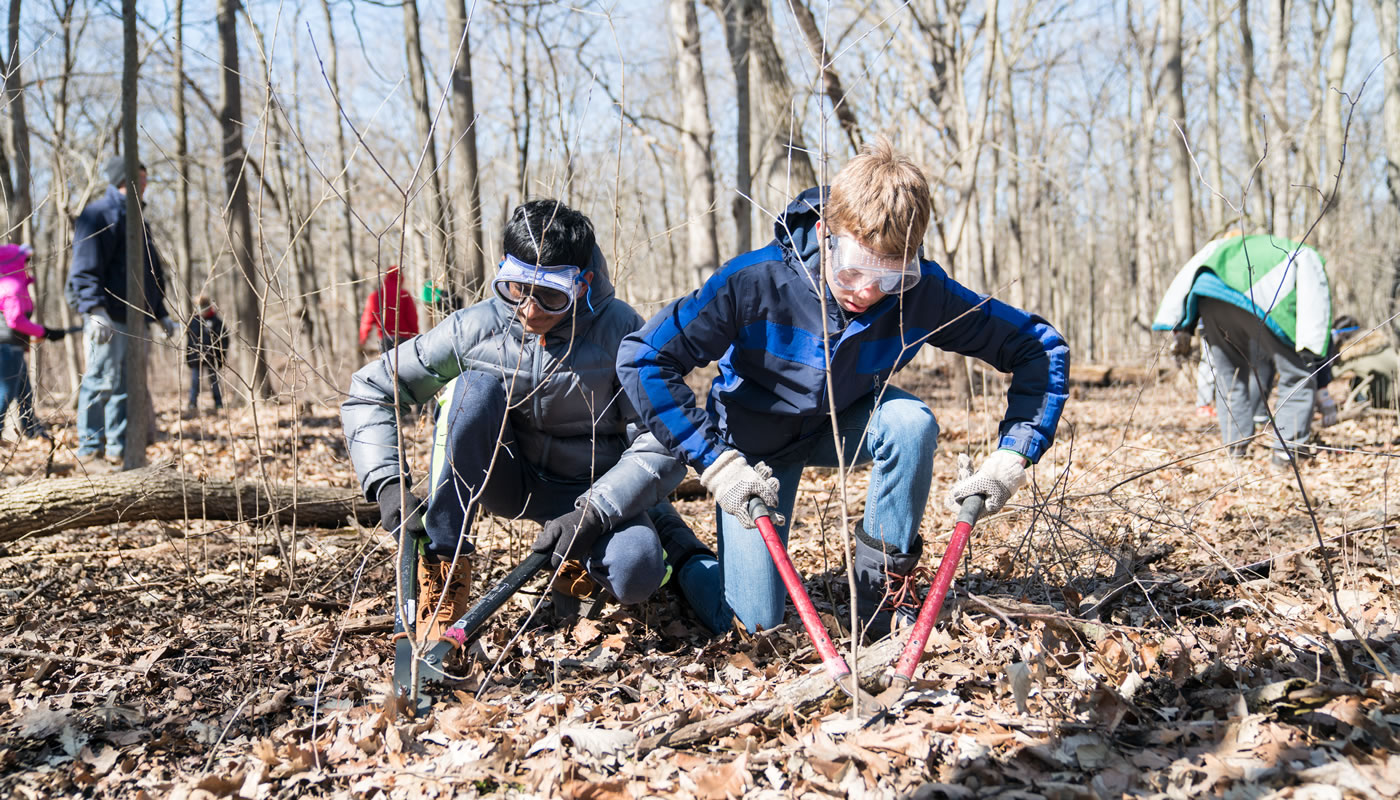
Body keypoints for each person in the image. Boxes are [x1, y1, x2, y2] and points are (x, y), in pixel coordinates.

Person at [616, 137, 1071, 639]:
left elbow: (1039, 348)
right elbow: (644, 356)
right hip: (751, 449)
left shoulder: (923, 293)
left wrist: (1014, 456)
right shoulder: (753, 282)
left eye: (890, 278)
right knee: (754, 625)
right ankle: (682, 549)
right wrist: (716, 462)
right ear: (826, 231)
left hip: (844, 422)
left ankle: (877, 602)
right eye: (854, 269)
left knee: (910, 424)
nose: (866, 292)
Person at [342, 199, 713, 646]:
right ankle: (441, 570)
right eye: (517, 288)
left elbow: (662, 437)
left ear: (583, 284)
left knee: (638, 570)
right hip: (506, 479)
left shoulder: (622, 332)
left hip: (590, 492)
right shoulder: (474, 329)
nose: (531, 310)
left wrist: (595, 512)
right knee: (471, 390)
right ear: (503, 272)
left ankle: (577, 568)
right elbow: (372, 388)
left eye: (551, 295)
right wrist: (385, 483)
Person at [1155, 234, 1332, 467]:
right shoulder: (1305, 253)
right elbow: (1316, 307)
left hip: (1211, 295)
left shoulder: (1226, 245)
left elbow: (1188, 274)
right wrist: (1314, 359)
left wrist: (1181, 327)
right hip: (1262, 301)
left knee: (1230, 375)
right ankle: (1285, 457)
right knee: (1297, 374)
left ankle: (1235, 453)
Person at [66, 155, 176, 466]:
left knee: (129, 386)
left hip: (137, 319)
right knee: (101, 381)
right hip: (108, 317)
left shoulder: (139, 220)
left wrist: (160, 312)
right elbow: (84, 268)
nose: (143, 185)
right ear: (120, 181)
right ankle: (89, 453)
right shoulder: (98, 215)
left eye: (145, 180)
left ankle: (117, 450)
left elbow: (150, 273)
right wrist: (94, 308)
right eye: (137, 180)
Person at [0, 244, 66, 440]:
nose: (28, 265)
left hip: (13, 348)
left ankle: (32, 431)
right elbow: (15, 320)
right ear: (14, 262)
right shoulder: (12, 286)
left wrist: (34, 337)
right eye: (25, 261)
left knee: (24, 393)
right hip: (7, 349)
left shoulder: (10, 283)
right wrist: (44, 331)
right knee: (5, 396)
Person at [358, 265, 419, 352]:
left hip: (386, 340)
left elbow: (367, 320)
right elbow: (412, 318)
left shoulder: (376, 296)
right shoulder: (404, 295)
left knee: (389, 365)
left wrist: (363, 338)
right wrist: (415, 335)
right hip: (404, 339)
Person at [185, 294, 228, 415]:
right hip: (196, 358)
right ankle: (192, 403)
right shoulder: (194, 321)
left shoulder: (216, 321)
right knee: (195, 381)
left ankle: (218, 402)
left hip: (212, 357)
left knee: (214, 381)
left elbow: (224, 339)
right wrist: (189, 356)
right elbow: (189, 340)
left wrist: (220, 357)